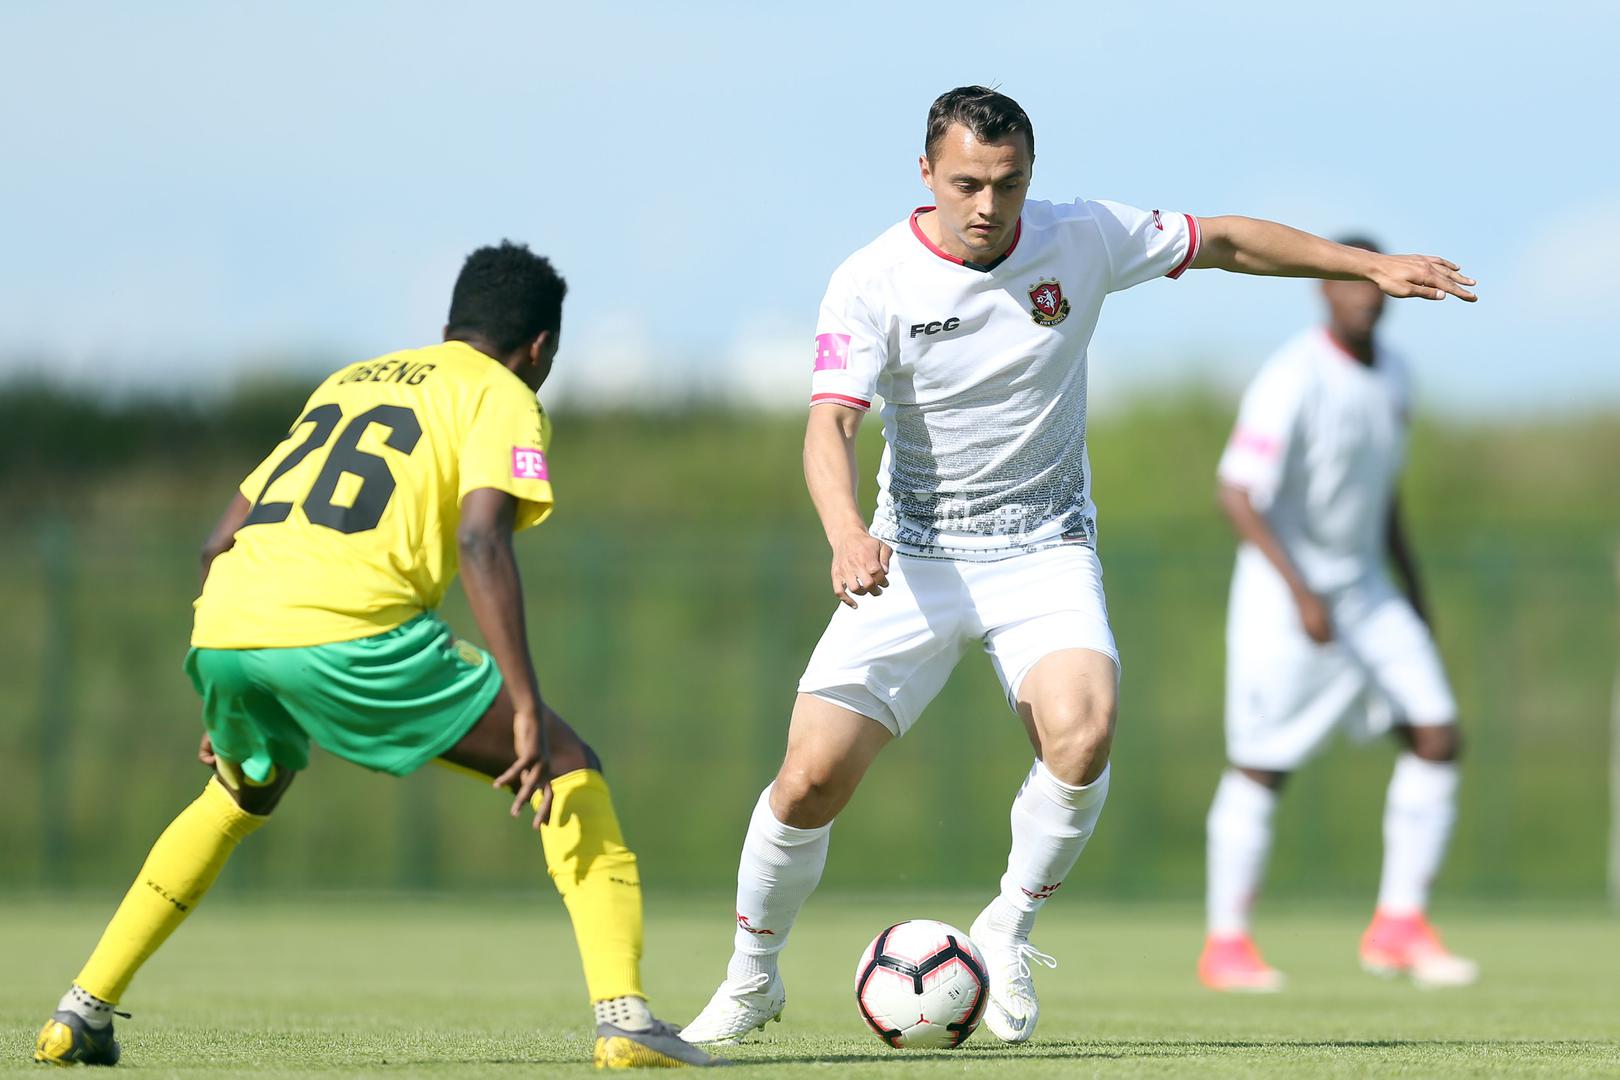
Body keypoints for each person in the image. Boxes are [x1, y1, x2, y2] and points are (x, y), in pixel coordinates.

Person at [679, 86, 1477, 1047]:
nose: (988, 205)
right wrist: (847, 531)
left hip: (1042, 552)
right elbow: (831, 425)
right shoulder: (871, 279)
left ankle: (1007, 929)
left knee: (1084, 731)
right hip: (912, 558)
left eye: (1008, 184)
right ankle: (751, 978)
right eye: (966, 183)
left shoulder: (1084, 236)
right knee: (809, 781)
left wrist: (1368, 264)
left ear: (1031, 177)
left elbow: (1225, 240)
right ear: (926, 173)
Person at [32, 241, 722, 1070]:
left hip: (227, 628)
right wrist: (525, 703)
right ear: (539, 348)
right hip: (349, 632)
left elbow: (218, 542)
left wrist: (235, 678)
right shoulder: (501, 392)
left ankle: (80, 1011)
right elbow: (481, 539)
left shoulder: (349, 382)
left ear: (451, 323)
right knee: (568, 765)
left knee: (241, 793)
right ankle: (625, 1019)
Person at [1198, 236, 1478, 993]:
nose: (1363, 297)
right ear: (1323, 289)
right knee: (1264, 764)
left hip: (1368, 591)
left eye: (1374, 286)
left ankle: (1399, 926)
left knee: (1436, 733)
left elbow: (1384, 496)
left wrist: (1413, 592)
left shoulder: (1396, 375)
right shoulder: (1294, 375)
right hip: (1286, 595)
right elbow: (1236, 492)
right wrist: (1300, 592)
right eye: (1349, 283)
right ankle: (1226, 943)